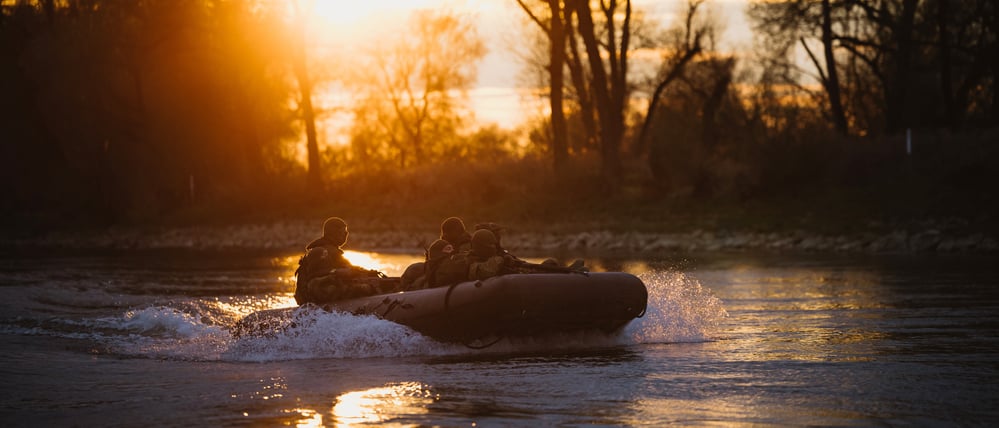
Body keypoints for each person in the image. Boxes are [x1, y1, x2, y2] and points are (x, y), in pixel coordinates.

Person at [294, 217, 374, 304]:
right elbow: (316, 283)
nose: (346, 234)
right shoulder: (319, 252)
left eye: (346, 232)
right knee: (364, 288)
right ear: (335, 233)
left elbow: (350, 270)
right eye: (343, 231)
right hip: (315, 298)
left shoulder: (335, 253)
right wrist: (338, 272)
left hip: (327, 292)